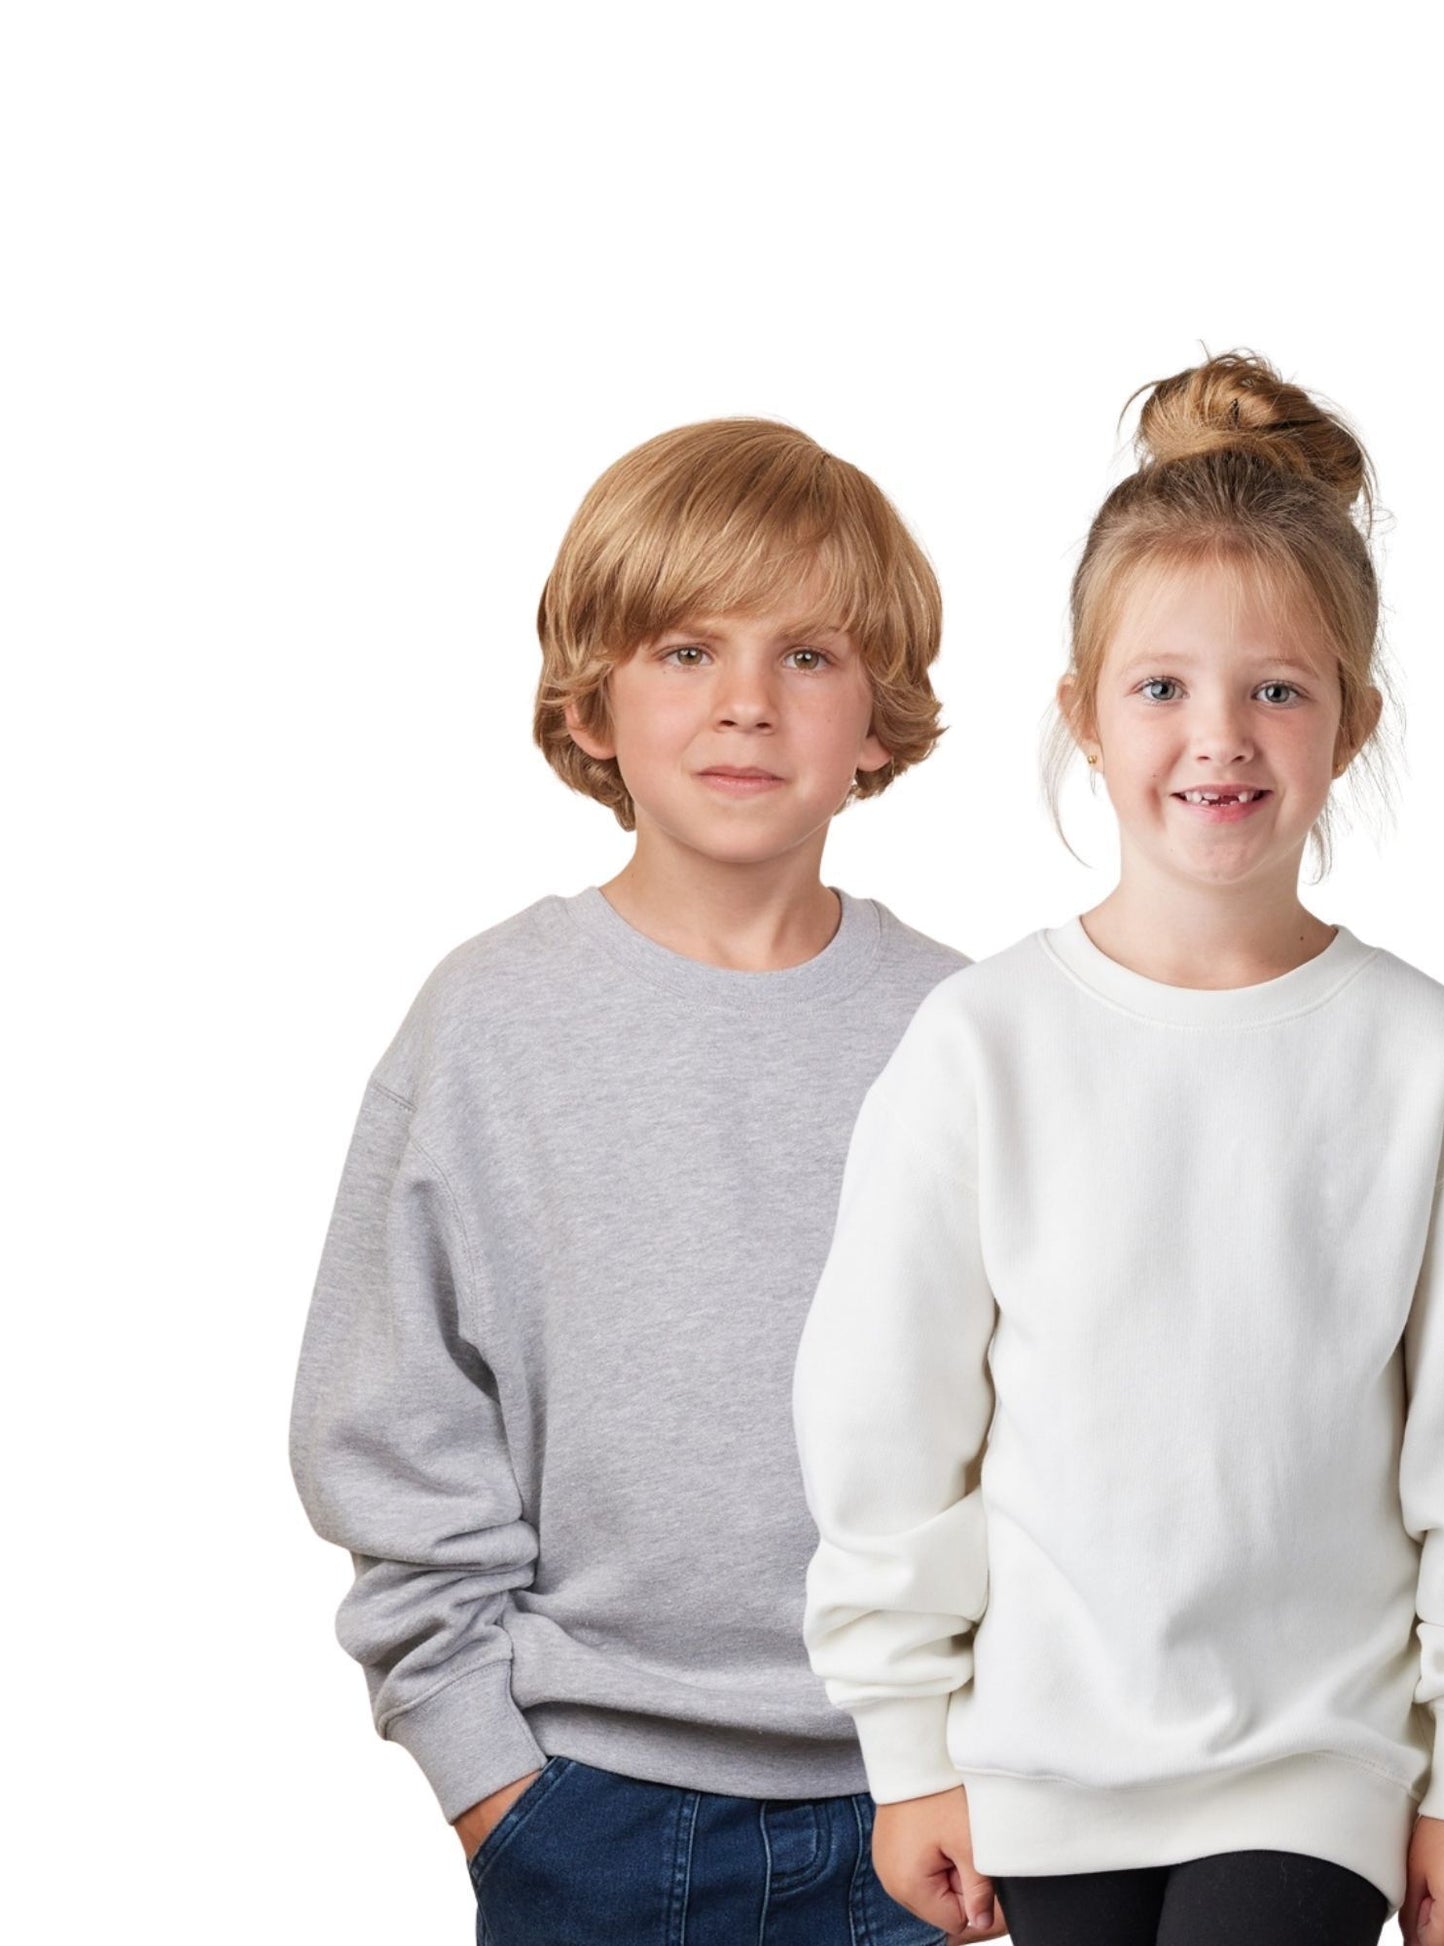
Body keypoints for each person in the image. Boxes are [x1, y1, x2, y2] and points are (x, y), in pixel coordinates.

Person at [792, 352, 1444, 1946]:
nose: (1218, 738)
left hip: (1313, 1764)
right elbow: (888, 1426)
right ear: (1084, 719)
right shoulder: (982, 1047)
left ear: (1350, 718)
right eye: (1161, 686)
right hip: (1036, 1760)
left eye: (1277, 689)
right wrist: (906, 1749)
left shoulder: (1420, 1062)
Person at [291, 417, 969, 1946]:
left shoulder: (972, 1034)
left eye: (807, 654)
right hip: (588, 1805)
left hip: (915, 1808)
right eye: (683, 649)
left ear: (879, 715)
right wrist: (490, 1779)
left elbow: (1057, 1416)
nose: (745, 703)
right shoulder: (490, 1019)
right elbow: (388, 1413)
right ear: (592, 704)